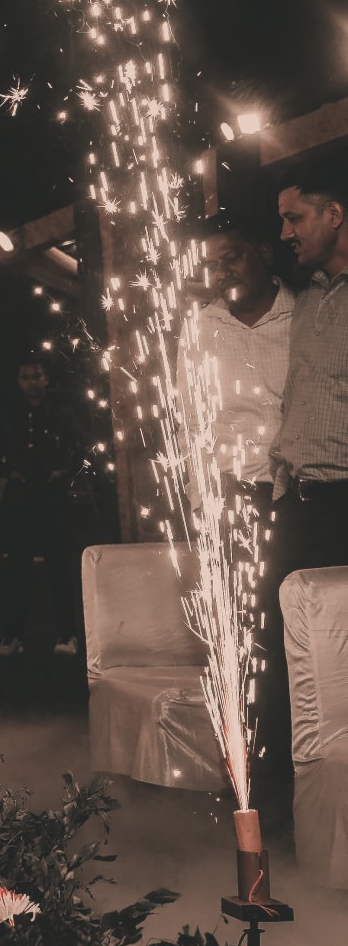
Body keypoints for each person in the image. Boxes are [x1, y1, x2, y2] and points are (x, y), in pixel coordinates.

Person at [258, 174, 348, 805]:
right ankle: (280, 798)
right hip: (297, 502)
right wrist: (282, 480)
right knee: (278, 646)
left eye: (295, 218)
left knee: (338, 657)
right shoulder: (309, 295)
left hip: (344, 500)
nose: (285, 232)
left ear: (334, 213)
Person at [178, 213, 294, 510]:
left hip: (298, 495)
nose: (222, 273)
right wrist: (201, 499)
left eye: (231, 259)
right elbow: (192, 424)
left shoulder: (302, 316)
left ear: (264, 253)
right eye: (210, 266)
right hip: (229, 497)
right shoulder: (200, 329)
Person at [0, 357, 86, 658]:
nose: (32, 383)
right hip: (21, 501)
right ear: (18, 382)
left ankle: (66, 634)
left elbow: (81, 449)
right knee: (18, 571)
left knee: (59, 570)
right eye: (25, 377)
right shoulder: (10, 417)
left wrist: (64, 471)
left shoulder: (62, 415)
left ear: (46, 379)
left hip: (53, 501)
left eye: (37, 376)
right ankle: (13, 636)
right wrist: (9, 472)